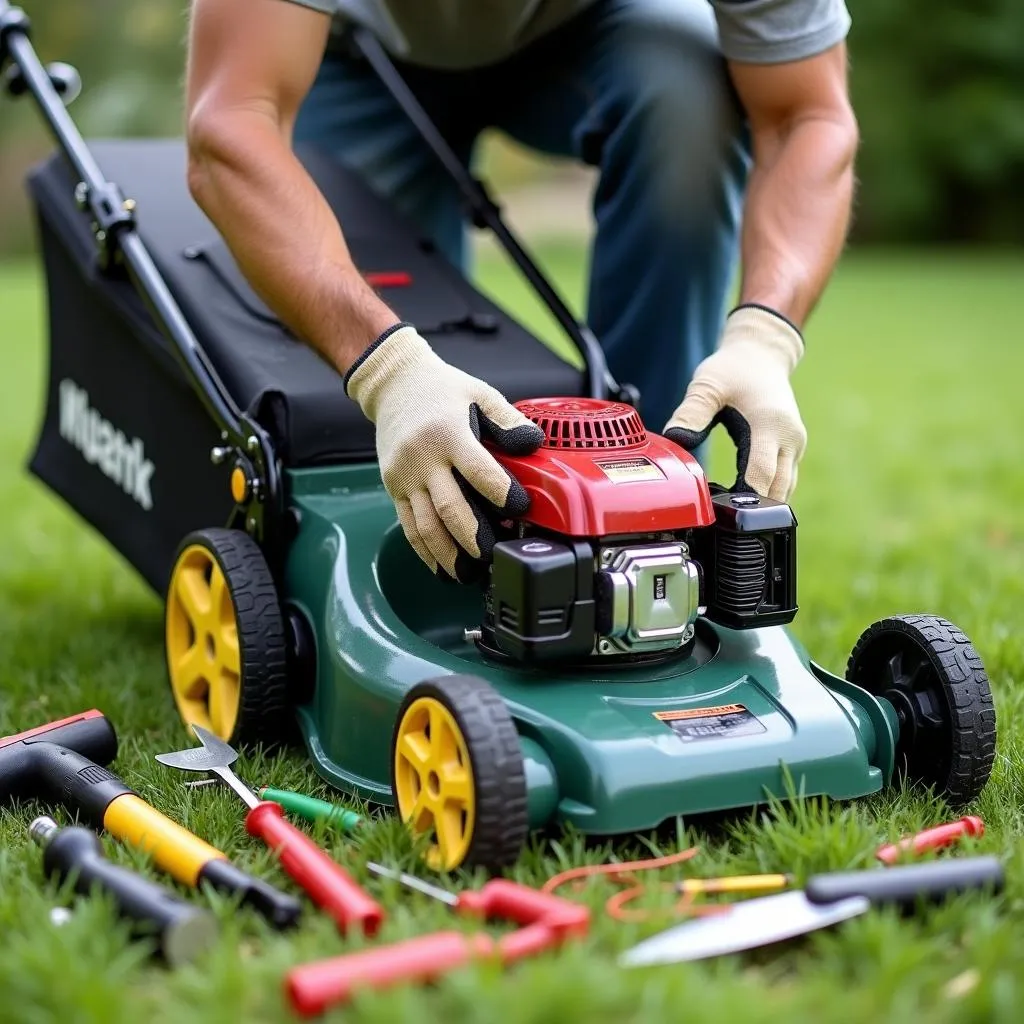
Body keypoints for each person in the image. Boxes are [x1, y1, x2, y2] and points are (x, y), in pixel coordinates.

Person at [184, 0, 858, 582]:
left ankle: (656, 532)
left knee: (685, 96)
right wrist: (388, 370)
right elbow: (234, 123)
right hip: (354, 54)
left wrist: (764, 339)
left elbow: (807, 117)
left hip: (596, 32)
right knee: (385, 382)